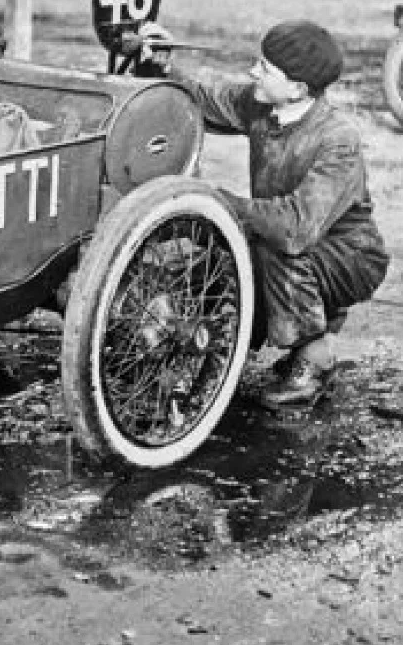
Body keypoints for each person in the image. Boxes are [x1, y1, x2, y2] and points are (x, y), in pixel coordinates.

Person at [138, 20, 390, 409]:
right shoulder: (262, 105)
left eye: (265, 69)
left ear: (297, 89)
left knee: (274, 246)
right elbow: (203, 101)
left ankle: (315, 359)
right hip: (300, 242)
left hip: (350, 256)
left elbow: (295, 227)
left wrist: (218, 201)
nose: (253, 72)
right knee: (237, 252)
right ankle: (296, 325)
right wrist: (163, 67)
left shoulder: (337, 140)